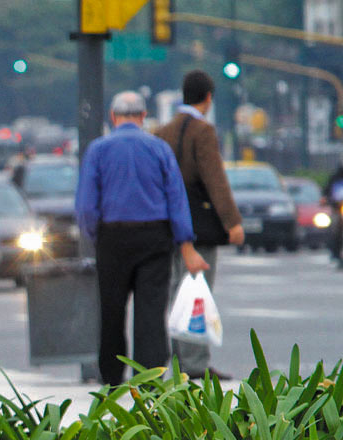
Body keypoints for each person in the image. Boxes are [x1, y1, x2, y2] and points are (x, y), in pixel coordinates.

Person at [75, 91, 210, 386]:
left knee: (111, 310)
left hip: (112, 237)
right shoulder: (159, 149)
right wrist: (183, 240)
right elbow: (176, 199)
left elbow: (86, 205)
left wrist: (95, 235)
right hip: (154, 236)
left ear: (113, 117)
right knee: (150, 311)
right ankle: (148, 379)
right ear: (143, 116)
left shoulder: (98, 150)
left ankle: (111, 377)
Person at [154, 70, 245, 382]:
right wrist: (232, 222)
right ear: (208, 97)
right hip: (198, 225)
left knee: (175, 292)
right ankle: (195, 362)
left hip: (167, 224)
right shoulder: (203, 131)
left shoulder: (162, 131)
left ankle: (178, 358)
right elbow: (215, 179)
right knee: (197, 291)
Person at [322, 156, 343, 265]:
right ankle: (334, 251)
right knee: (334, 227)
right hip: (337, 208)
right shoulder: (335, 178)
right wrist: (326, 199)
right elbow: (326, 191)